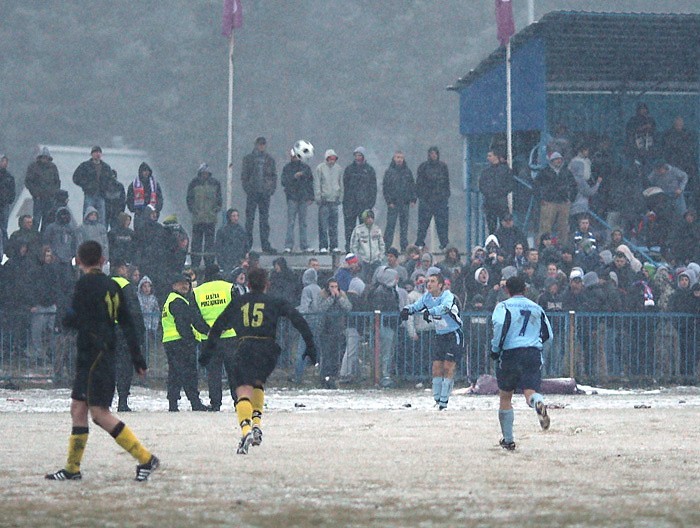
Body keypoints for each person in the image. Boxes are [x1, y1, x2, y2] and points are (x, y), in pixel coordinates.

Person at [44, 241, 159, 482]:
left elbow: (73, 318)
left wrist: (66, 321)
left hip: (93, 353)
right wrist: (138, 357)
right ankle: (72, 468)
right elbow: (127, 322)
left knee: (98, 413)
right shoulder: (113, 286)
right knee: (78, 408)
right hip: (102, 352)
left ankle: (146, 458)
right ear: (102, 259)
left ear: (79, 260)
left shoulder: (84, 285)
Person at [201, 267, 317, 454]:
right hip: (268, 349)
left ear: (248, 284)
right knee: (257, 384)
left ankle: (246, 429)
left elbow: (218, 326)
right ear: (267, 284)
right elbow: (298, 320)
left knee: (243, 390)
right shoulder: (274, 302)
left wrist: (207, 351)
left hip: (246, 346)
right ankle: (256, 424)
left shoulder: (239, 302)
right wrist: (310, 346)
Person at [490, 276, 553, 450]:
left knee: (505, 396)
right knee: (530, 392)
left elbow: (499, 326)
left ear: (506, 290)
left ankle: (508, 440)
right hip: (532, 352)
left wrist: (495, 349)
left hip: (511, 353)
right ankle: (537, 402)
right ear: (525, 289)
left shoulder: (503, 306)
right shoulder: (537, 308)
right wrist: (539, 351)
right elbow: (549, 335)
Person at [401, 272, 463, 409]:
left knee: (448, 367)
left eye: (433, 281)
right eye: (428, 281)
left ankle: (444, 401)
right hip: (440, 335)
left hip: (453, 334)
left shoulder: (448, 296)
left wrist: (431, 311)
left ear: (440, 285)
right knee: (436, 368)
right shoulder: (427, 297)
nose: (429, 284)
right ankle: (437, 399)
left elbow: (445, 308)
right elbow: (416, 306)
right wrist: (407, 310)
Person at [161, 273, 211, 412]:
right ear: (174, 285)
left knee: (175, 373)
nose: (185, 286)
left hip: (171, 341)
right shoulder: (178, 301)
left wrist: (207, 330)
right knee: (188, 372)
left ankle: (173, 403)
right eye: (181, 283)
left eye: (187, 283)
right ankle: (194, 402)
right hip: (180, 342)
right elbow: (183, 325)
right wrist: (191, 340)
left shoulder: (172, 300)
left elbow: (192, 320)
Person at [193, 265, 236, 412]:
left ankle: (216, 403)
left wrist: (208, 330)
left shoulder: (197, 292)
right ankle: (239, 401)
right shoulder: (229, 287)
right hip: (230, 336)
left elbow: (195, 317)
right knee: (233, 371)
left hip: (209, 339)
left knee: (213, 373)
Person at [110, 259, 146, 412]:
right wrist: (140, 333)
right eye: (125, 268)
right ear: (120, 269)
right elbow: (134, 312)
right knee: (124, 367)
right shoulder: (126, 286)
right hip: (123, 331)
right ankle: (122, 401)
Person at [241, 136, 277, 253]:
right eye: (260, 144)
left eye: (263, 144)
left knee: (264, 221)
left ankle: (265, 245)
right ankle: (247, 244)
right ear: (256, 145)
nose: (261, 146)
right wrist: (248, 188)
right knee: (250, 220)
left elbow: (273, 176)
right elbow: (244, 176)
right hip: (252, 192)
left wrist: (271, 189)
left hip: (265, 193)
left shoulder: (270, 160)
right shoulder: (248, 159)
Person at [533, 151, 577, 245]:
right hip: (549, 202)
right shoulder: (544, 172)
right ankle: (542, 246)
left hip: (563, 202)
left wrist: (571, 198)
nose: (558, 161)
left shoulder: (566, 172)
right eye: (556, 159)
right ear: (551, 161)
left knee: (563, 227)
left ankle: (562, 247)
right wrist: (540, 199)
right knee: (545, 227)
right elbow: (536, 186)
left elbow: (574, 185)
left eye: (560, 159)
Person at [186, 163, 222, 268]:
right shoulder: (194, 183)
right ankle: (195, 264)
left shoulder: (215, 184)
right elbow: (189, 199)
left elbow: (219, 200)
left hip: (210, 219)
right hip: (198, 219)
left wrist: (215, 210)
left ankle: (209, 263)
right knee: (196, 243)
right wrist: (194, 210)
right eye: (203, 173)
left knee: (209, 244)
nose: (205, 175)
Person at [415, 146, 450, 250]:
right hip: (426, 201)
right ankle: (419, 242)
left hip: (440, 201)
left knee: (442, 224)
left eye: (435, 153)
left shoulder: (443, 167)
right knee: (423, 224)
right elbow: (419, 184)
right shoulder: (423, 167)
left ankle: (444, 243)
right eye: (431, 154)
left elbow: (446, 183)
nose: (433, 156)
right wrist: (422, 197)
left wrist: (445, 196)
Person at [342, 147, 377, 252]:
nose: (358, 157)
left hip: (364, 205)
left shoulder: (369, 170)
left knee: (365, 229)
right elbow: (345, 186)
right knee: (349, 229)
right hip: (350, 204)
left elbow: (373, 188)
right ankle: (349, 249)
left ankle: (364, 249)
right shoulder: (349, 170)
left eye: (360, 155)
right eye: (356, 155)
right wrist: (347, 202)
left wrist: (370, 203)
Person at [281, 148, 314, 253]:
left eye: (296, 155)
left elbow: (310, 183)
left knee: (303, 223)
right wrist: (293, 177)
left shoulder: (306, 168)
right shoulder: (287, 168)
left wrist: (311, 197)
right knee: (291, 222)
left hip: (303, 198)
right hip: (292, 198)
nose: (294, 157)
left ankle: (304, 246)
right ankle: (288, 246)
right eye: (292, 155)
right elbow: (283, 182)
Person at [382, 151, 416, 252]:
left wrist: (413, 199)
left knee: (404, 227)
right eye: (397, 157)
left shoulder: (407, 172)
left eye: (401, 157)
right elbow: (385, 188)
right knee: (390, 226)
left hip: (405, 203)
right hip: (393, 204)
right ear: (394, 158)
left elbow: (412, 186)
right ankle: (386, 247)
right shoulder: (389, 172)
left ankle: (404, 248)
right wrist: (389, 202)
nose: (399, 159)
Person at [72, 146, 112, 226]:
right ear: (92, 154)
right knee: (87, 215)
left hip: (101, 195)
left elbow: (110, 180)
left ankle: (100, 235)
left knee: (101, 218)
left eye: (99, 152)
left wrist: (106, 188)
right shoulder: (85, 166)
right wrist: (86, 185)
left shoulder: (106, 167)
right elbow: (75, 178)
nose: (98, 154)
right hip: (89, 194)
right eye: (95, 152)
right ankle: (86, 234)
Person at [314, 149, 343, 253]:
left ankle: (334, 245)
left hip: (334, 201)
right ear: (326, 158)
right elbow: (317, 183)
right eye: (330, 158)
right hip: (324, 202)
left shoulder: (338, 169)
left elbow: (341, 183)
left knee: (334, 226)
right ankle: (323, 246)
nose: (332, 160)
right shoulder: (320, 168)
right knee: (323, 225)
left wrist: (340, 197)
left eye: (334, 158)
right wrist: (318, 197)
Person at [25, 147, 61, 232]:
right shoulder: (33, 167)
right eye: (43, 157)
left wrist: (53, 193)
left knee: (47, 220)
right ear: (39, 157)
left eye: (46, 157)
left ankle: (43, 239)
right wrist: (35, 193)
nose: (44, 159)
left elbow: (57, 182)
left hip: (49, 199)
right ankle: (34, 238)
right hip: (38, 198)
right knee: (36, 220)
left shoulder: (53, 167)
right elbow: (28, 182)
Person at [479, 149, 514, 235]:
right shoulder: (485, 172)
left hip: (501, 203)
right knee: (491, 227)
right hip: (490, 203)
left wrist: (499, 192)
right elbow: (481, 186)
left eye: (490, 156)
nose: (488, 158)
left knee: (505, 226)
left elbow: (510, 185)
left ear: (496, 156)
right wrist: (489, 193)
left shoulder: (505, 170)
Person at [126, 162, 163, 232]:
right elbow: (129, 198)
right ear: (140, 172)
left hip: (153, 214)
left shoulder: (155, 185)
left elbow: (159, 198)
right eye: (144, 171)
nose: (146, 173)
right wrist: (134, 209)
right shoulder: (133, 185)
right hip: (139, 214)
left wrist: (157, 209)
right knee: (139, 234)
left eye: (147, 171)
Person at [350, 209, 385, 281]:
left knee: (376, 280)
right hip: (363, 261)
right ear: (364, 219)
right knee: (361, 280)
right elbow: (353, 246)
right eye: (368, 218)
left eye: (371, 217)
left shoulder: (377, 229)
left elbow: (381, 245)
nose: (370, 220)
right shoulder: (358, 230)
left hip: (375, 261)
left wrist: (380, 257)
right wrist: (357, 259)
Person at [215, 208, 249, 274]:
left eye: (237, 216)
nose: (236, 218)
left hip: (239, 261)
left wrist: (244, 258)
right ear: (229, 217)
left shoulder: (241, 230)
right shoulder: (222, 231)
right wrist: (221, 261)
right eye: (233, 216)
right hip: (226, 261)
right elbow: (218, 247)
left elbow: (246, 245)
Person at [0, 154, 16, 237]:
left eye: (6, 161)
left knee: (4, 227)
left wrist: (10, 200)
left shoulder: (9, 177)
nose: (5, 163)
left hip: (5, 204)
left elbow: (12, 190)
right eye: (3, 161)